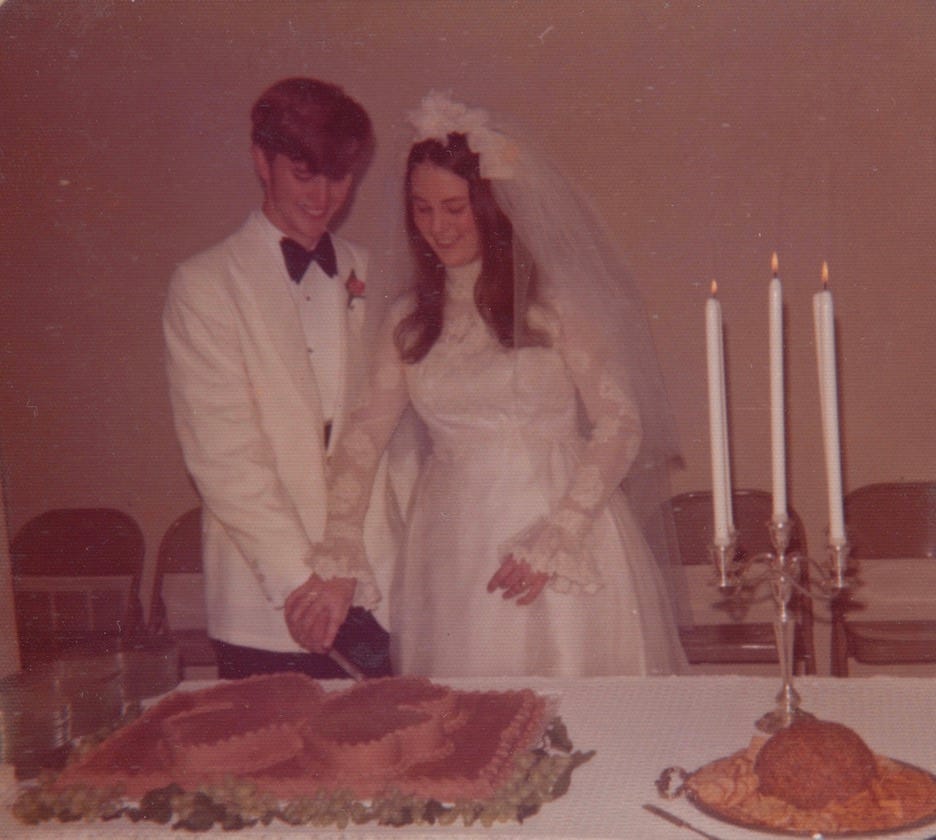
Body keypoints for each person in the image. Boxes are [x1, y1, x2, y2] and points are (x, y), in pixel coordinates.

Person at [285, 92, 688, 677]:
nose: (437, 228)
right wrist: (341, 545)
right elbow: (362, 437)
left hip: (556, 528)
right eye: (422, 210)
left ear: (493, 207)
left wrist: (560, 531)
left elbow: (621, 422)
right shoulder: (407, 319)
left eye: (454, 208)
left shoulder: (557, 303)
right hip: (451, 541)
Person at [163, 78, 402, 680]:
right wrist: (306, 586)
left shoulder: (376, 275)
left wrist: (352, 576)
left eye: (339, 177)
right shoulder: (205, 285)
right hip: (272, 600)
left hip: (378, 587)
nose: (323, 198)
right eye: (304, 174)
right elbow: (223, 456)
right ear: (261, 162)